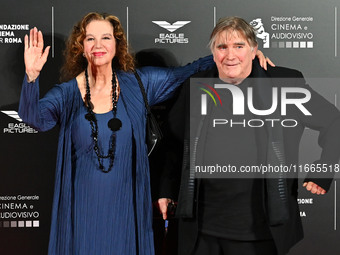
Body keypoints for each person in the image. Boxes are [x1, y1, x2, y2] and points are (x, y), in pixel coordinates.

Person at [19, 11, 272, 255]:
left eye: (106, 37)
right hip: (82, 209)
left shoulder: (140, 84)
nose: (98, 45)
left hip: (127, 208)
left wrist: (242, 57)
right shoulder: (66, 94)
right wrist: (31, 78)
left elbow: (188, 72)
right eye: (90, 38)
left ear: (116, 44)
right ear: (80, 46)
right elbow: (35, 119)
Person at [158, 16, 340, 255]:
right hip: (201, 231)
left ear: (254, 50)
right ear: (213, 53)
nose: (230, 55)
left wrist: (323, 171)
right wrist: (166, 190)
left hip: (261, 233)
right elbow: (173, 142)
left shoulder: (284, 84)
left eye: (239, 46)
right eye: (222, 47)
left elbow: (334, 122)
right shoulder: (196, 86)